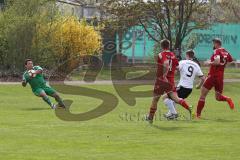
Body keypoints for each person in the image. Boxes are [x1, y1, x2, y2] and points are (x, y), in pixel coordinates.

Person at [146, 39, 192, 123]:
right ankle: (189, 108)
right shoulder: (173, 55)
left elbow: (166, 63)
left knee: (155, 99)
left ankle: (150, 118)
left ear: (161, 46)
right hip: (170, 80)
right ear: (169, 45)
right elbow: (177, 67)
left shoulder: (161, 54)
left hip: (161, 80)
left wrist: (164, 75)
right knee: (176, 98)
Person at [195, 38, 235, 119]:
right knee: (218, 97)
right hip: (220, 77)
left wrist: (208, 63)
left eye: (213, 43)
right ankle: (228, 99)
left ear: (216, 43)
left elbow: (216, 61)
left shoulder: (217, 50)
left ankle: (198, 115)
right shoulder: (226, 51)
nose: (213, 45)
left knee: (202, 95)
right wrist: (222, 65)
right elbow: (231, 61)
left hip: (213, 75)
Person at [163, 50, 205, 120]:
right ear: (193, 56)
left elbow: (175, 70)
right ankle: (170, 114)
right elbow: (203, 78)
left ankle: (187, 110)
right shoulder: (196, 65)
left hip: (182, 87)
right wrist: (199, 86)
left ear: (187, 55)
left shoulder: (183, 62)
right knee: (175, 100)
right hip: (189, 89)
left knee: (165, 97)